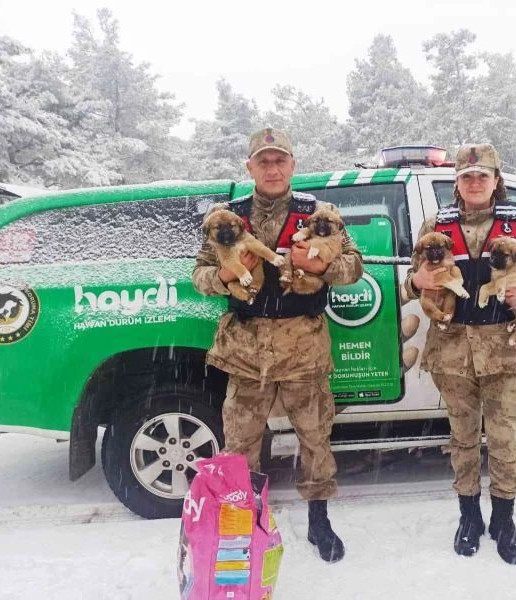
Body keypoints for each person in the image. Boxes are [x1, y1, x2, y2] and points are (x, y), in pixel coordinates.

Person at [192, 127, 363, 563]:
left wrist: (322, 264)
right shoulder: (226, 218)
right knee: (241, 444)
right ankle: (245, 523)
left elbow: (354, 266)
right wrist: (226, 277)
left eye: (279, 160)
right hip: (246, 349)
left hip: (302, 347)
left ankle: (319, 519)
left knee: (314, 436)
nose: (272, 168)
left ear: (292, 165)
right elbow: (200, 275)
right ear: (250, 167)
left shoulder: (318, 213)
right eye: (263, 161)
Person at [402, 143, 516, 564]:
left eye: (483, 175)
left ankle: (504, 518)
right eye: (466, 176)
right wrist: (417, 281)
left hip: (507, 351)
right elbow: (414, 278)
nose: (475, 182)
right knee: (462, 440)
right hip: (453, 352)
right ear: (456, 183)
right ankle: (469, 517)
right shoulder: (434, 226)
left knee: (505, 439)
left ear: (497, 181)